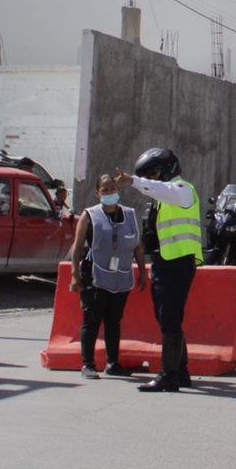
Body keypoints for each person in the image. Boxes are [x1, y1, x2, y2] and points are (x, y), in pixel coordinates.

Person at [116, 147, 203, 393]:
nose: (152, 179)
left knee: (170, 319)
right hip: (164, 262)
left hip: (178, 262)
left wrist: (133, 181)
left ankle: (169, 375)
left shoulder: (183, 190)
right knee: (166, 316)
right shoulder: (164, 198)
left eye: (153, 173)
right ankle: (181, 370)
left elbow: (162, 190)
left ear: (166, 170)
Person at [67, 173, 145, 379]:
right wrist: (74, 275)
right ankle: (88, 364)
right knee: (91, 319)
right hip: (94, 275)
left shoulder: (129, 215)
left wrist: (143, 273)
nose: (109, 193)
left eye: (112, 189)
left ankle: (113, 363)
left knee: (113, 321)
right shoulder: (89, 215)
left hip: (121, 276)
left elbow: (138, 247)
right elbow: (77, 248)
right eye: (105, 190)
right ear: (97, 193)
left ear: (118, 190)